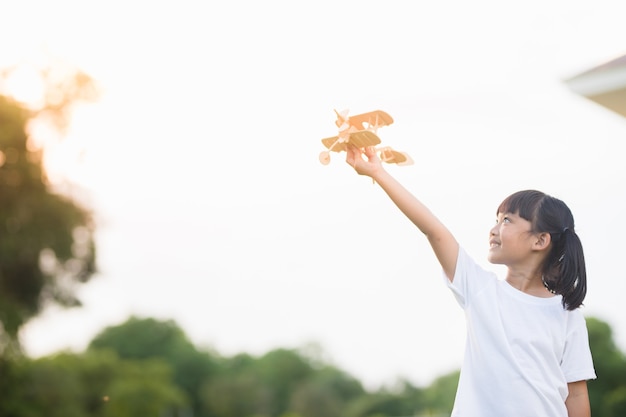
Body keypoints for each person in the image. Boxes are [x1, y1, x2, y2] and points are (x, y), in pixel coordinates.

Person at [345, 145, 596, 417]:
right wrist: (378, 173)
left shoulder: (566, 315)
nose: (493, 230)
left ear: (540, 240)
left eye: (507, 221)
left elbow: (576, 393)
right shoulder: (480, 288)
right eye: (496, 220)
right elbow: (434, 230)